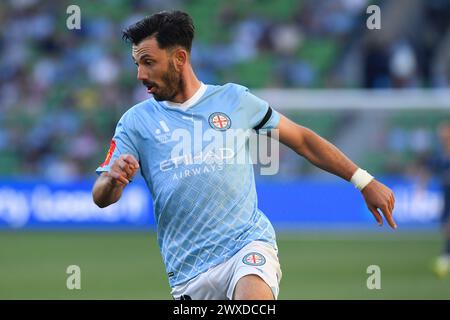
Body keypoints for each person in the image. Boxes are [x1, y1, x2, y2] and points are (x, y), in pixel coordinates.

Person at [92, 10, 396, 300]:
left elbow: (302, 139)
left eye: (147, 62)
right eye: (136, 64)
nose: (140, 74)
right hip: (188, 273)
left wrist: (363, 180)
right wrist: (114, 179)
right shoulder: (135, 121)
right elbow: (101, 196)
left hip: (246, 246)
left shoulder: (233, 100)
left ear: (179, 58)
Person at [430, 121, 450, 278]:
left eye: (444, 133)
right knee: (445, 226)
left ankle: (446, 256)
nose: (442, 136)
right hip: (446, 194)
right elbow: (432, 169)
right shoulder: (441, 154)